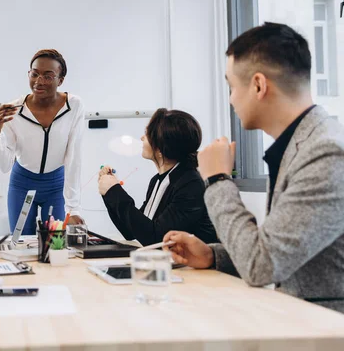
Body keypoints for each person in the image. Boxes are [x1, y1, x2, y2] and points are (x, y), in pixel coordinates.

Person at [163, 22, 344, 313]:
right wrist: (212, 255)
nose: (231, 98)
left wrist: (219, 179)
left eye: (232, 86)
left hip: (325, 330)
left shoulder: (326, 153)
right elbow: (280, 249)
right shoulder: (302, 143)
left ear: (258, 85)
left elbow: (262, 265)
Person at [0, 49, 85, 234]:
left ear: (61, 80)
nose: (39, 81)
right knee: (21, 241)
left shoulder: (73, 106)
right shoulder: (14, 110)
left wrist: (73, 208)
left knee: (56, 242)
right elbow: (4, 165)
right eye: (34, 74)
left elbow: (74, 157)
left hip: (56, 185)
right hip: (23, 186)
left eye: (48, 76)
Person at [98, 108, 219, 246]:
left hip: (194, 267)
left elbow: (157, 239)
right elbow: (131, 231)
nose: (142, 138)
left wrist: (114, 191)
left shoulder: (190, 183)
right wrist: (108, 192)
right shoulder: (158, 181)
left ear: (161, 148)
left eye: (147, 134)